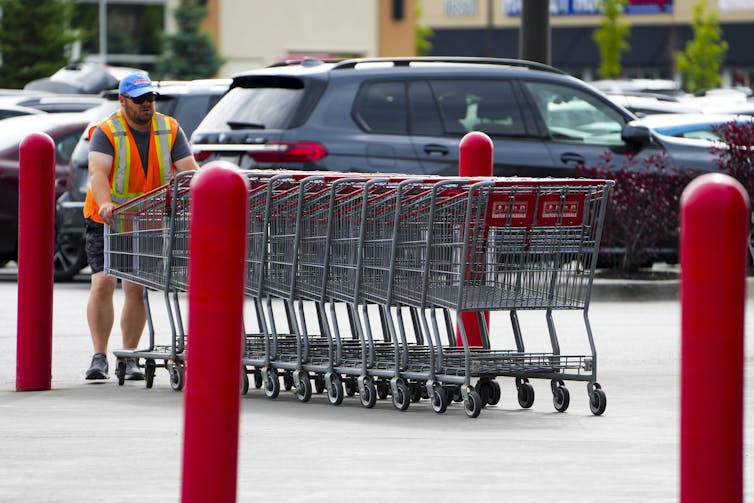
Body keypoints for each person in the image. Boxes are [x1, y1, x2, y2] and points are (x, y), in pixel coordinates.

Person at [84, 72, 199, 380]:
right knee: (103, 282)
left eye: (150, 98)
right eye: (139, 99)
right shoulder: (107, 131)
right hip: (107, 218)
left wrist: (200, 194)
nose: (147, 104)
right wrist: (106, 203)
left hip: (147, 219)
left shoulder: (169, 128)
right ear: (123, 101)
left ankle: (130, 356)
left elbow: (189, 170)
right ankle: (99, 356)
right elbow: (97, 172)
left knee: (135, 289)